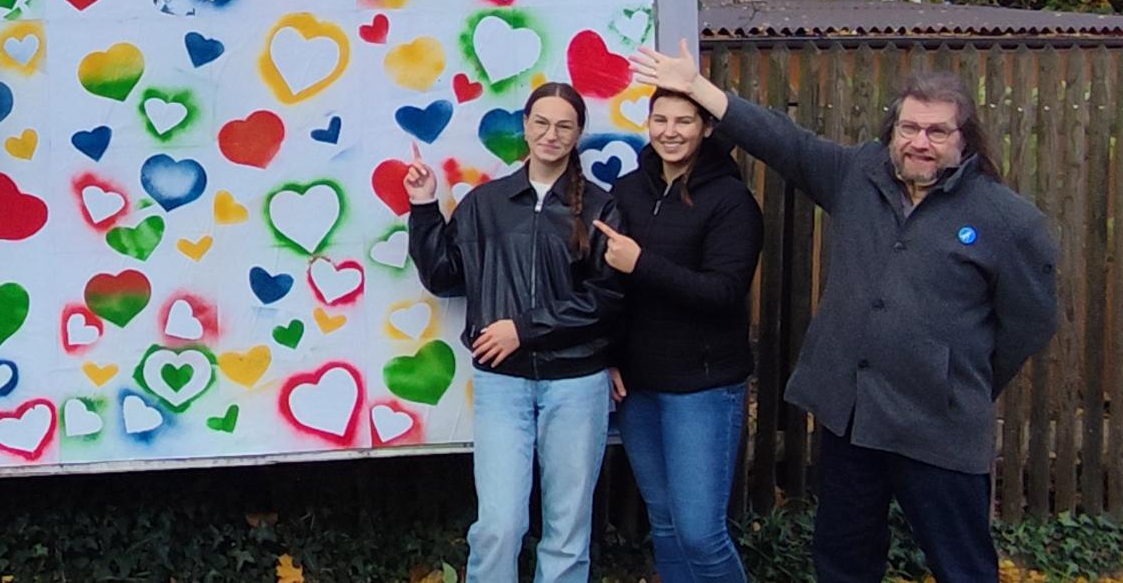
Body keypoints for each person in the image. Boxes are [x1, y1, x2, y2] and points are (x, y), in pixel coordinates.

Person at [633, 42, 1059, 583]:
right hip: (850, 420)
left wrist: (959, 376)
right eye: (909, 128)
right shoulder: (860, 176)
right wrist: (699, 90)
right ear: (892, 131)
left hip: (939, 426)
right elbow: (785, 143)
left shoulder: (1007, 219)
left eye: (936, 132)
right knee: (843, 560)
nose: (919, 143)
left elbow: (1030, 322)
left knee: (962, 567)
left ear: (963, 140)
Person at [405, 81, 625, 583]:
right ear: (525, 127)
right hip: (502, 383)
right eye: (541, 123)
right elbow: (444, 276)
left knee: (567, 528)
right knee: (500, 524)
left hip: (577, 382)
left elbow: (606, 299)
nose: (551, 134)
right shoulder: (486, 203)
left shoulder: (600, 207)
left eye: (564, 125)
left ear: (577, 134)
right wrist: (423, 207)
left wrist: (522, 330)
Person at [592, 89, 763, 583]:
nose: (670, 131)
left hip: (703, 387)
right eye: (660, 119)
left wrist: (642, 263)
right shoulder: (627, 190)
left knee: (700, 534)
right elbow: (610, 289)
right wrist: (610, 355)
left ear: (707, 128)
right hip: (639, 385)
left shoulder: (731, 201)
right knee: (664, 525)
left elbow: (723, 292)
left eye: (684, 121)